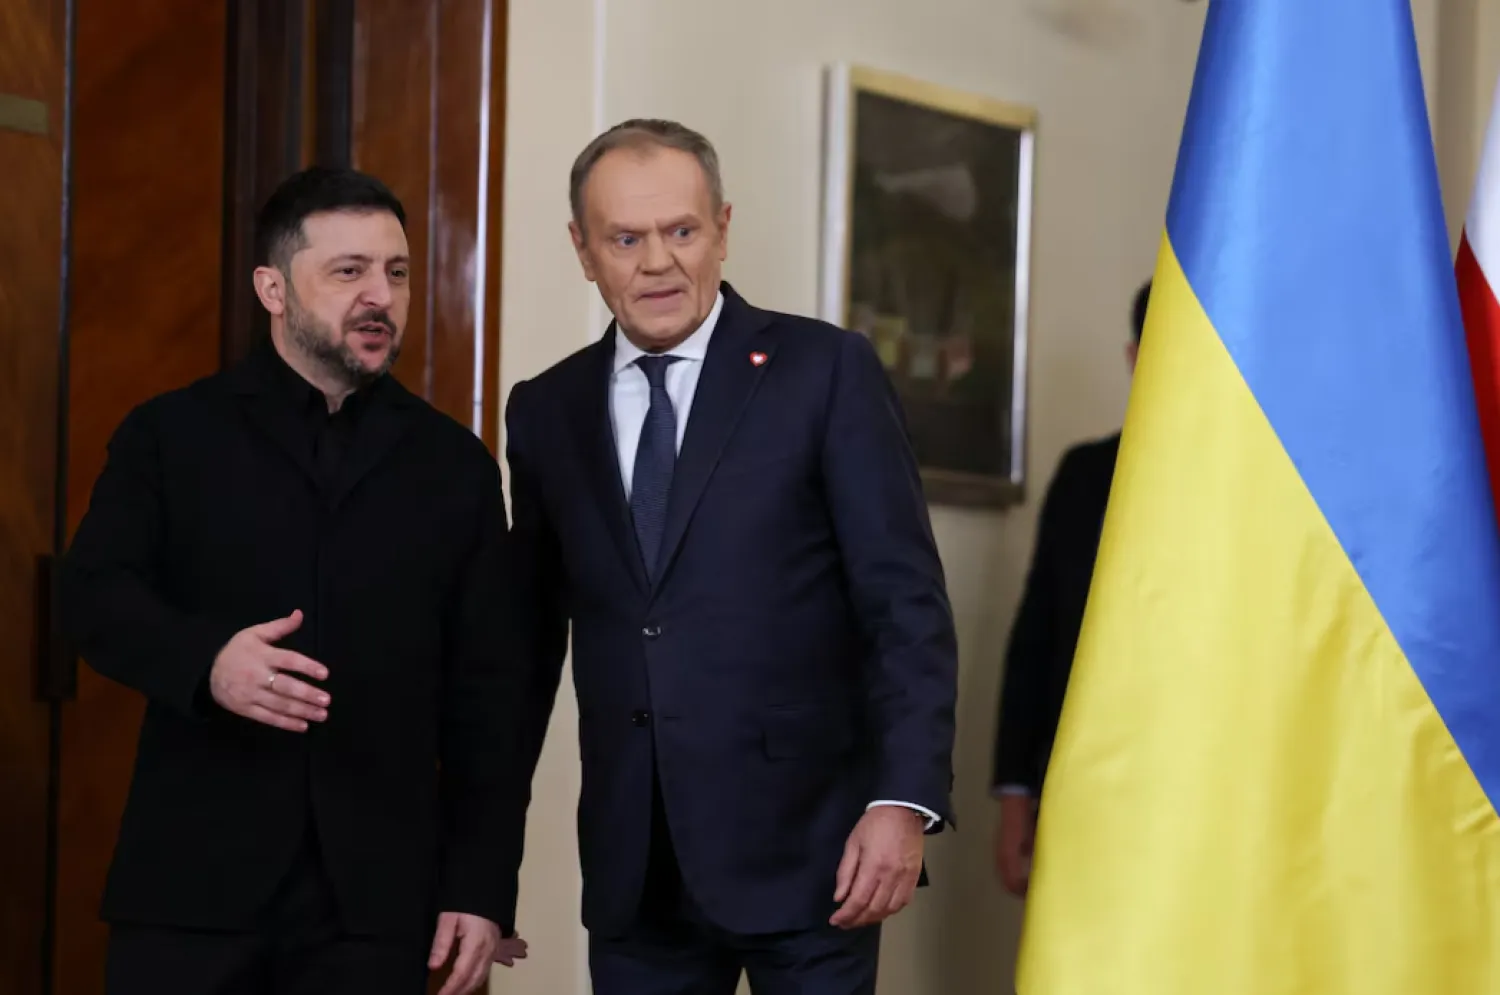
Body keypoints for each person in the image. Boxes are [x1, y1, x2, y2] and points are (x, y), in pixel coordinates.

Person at [502, 119, 960, 995]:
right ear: (583, 250)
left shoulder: (825, 371)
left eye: (682, 231)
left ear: (723, 227)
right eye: (625, 239)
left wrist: (902, 800)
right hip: (637, 871)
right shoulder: (546, 411)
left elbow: (904, 604)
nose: (657, 262)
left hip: (817, 854)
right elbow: (522, 658)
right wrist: (480, 871)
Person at [61, 166, 527, 995]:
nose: (379, 295)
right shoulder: (171, 434)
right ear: (272, 287)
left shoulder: (455, 465)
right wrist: (206, 661)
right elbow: (91, 595)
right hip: (190, 894)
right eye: (347, 271)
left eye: (396, 271)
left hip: (377, 906)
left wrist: (480, 887)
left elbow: (490, 697)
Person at [990, 280, 1151, 897]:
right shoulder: (1085, 477)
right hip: (1088, 797)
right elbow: (1037, 638)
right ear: (1135, 359)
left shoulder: (1267, 490)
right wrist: (1014, 799)